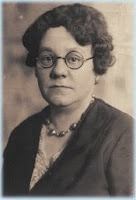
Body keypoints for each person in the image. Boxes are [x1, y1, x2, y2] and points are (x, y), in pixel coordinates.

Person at [3, 3, 133, 196]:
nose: (58, 71)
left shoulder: (123, 133)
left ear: (97, 68)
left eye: (73, 59)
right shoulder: (21, 136)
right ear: (36, 68)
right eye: (47, 58)